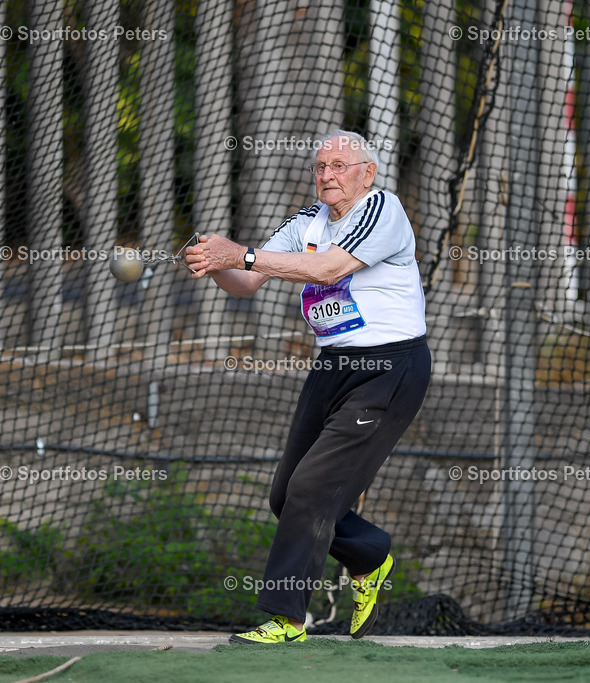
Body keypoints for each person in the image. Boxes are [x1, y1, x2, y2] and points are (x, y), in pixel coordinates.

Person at [185, 130, 430, 644]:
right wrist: (214, 262)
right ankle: (369, 556)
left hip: (388, 368)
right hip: (332, 365)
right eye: (321, 167)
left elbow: (329, 267)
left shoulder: (382, 209)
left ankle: (287, 618)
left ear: (368, 173)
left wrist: (243, 255)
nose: (327, 175)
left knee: (312, 490)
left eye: (340, 166)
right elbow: (246, 283)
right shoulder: (306, 222)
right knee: (285, 495)